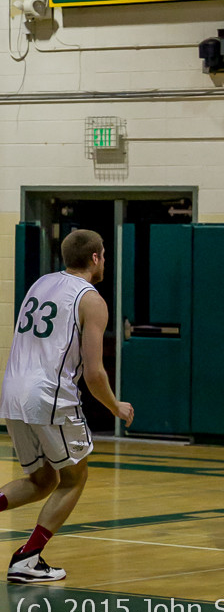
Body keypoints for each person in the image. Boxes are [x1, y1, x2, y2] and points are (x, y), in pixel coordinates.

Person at [0, 229, 134, 583]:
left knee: (43, 479)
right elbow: (93, 373)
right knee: (74, 477)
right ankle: (27, 558)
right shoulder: (92, 300)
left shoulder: (40, 284)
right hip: (49, 395)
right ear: (95, 258)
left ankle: (28, 559)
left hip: (12, 392)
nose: (104, 260)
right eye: (103, 254)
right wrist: (115, 406)